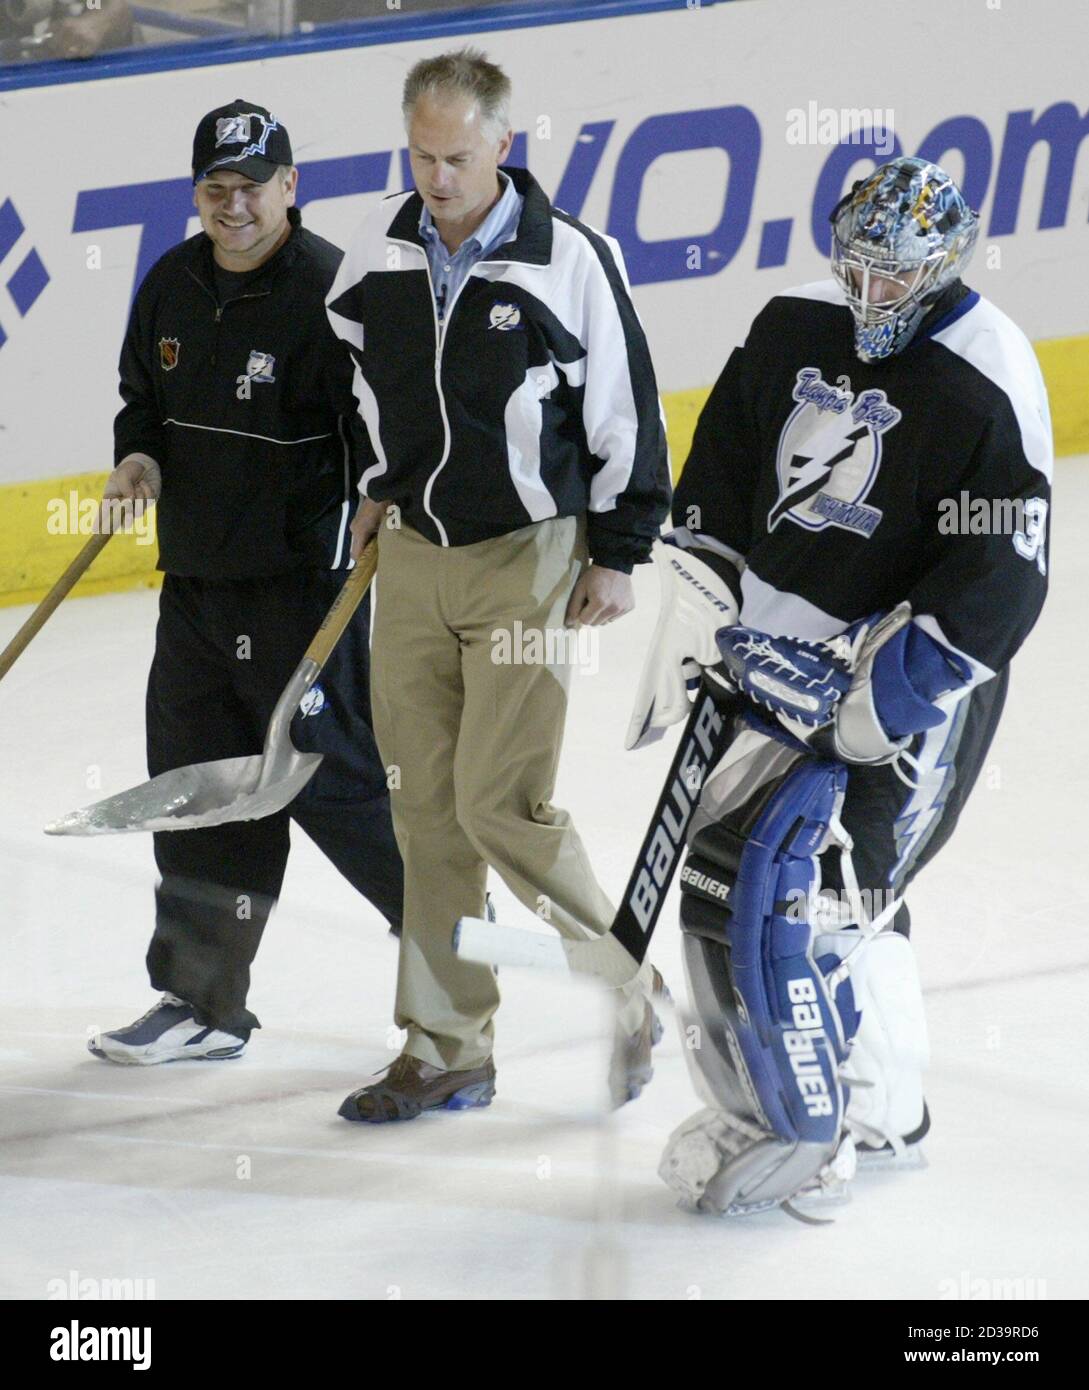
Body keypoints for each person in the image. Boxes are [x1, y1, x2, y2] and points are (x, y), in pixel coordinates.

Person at [640, 156, 1051, 1216]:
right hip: (766, 669)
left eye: (894, 279)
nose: (870, 297)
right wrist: (702, 604)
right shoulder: (792, 324)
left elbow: (1005, 564)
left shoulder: (989, 368)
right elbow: (727, 460)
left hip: (906, 695)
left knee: (833, 902)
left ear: (944, 265)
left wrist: (880, 693)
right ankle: (820, 1099)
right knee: (738, 885)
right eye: (856, 270)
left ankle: (852, 1121)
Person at [326, 48, 672, 1122]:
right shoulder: (380, 256)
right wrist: (376, 490)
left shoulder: (568, 259)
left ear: (503, 148)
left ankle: (632, 984)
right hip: (416, 565)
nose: (437, 179)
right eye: (422, 156)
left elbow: (626, 413)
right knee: (423, 812)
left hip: (532, 563)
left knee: (498, 804)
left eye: (458, 158)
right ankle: (446, 1046)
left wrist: (619, 550)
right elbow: (363, 396)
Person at [88, 99, 403, 1066]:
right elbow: (143, 400)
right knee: (195, 792)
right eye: (216, 189)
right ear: (197, 191)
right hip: (194, 586)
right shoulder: (171, 284)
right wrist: (135, 459)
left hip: (302, 591)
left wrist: (380, 498)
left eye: (252, 188)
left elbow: (382, 430)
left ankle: (449, 952)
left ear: (290, 187)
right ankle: (200, 1001)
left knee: (334, 787)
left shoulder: (330, 292)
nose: (234, 207)